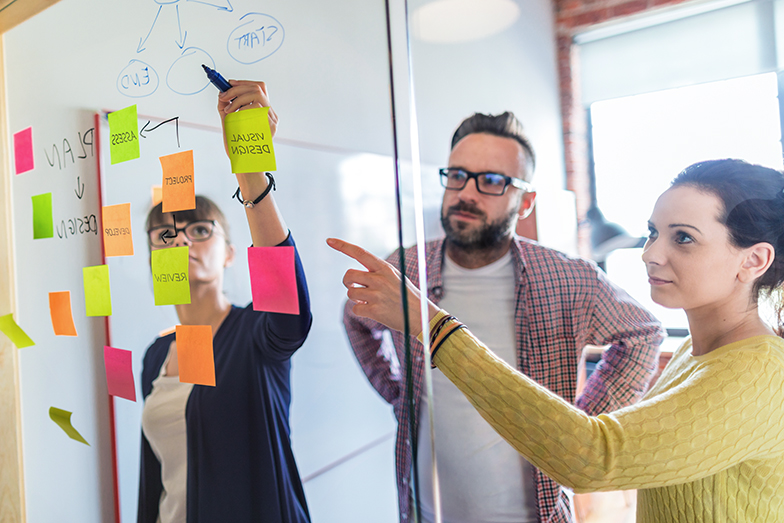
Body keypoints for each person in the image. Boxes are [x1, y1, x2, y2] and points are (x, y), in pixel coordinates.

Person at [331, 158, 784, 522]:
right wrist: (400, 394)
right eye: (652, 232)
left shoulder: (761, 374)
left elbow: (591, 455)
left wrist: (435, 329)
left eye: (683, 238)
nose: (650, 254)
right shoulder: (696, 351)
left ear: (755, 259)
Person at [341, 112, 664, 522]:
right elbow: (356, 317)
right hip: (425, 511)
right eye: (457, 175)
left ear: (525, 200)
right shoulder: (407, 268)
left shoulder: (568, 277)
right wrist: (397, 393)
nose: (466, 193)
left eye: (492, 181)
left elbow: (643, 334)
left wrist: (579, 425)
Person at [138, 81, 313, 523]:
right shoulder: (156, 355)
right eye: (165, 235)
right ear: (153, 259)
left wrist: (249, 169)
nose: (181, 240)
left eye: (200, 230)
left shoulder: (255, 333)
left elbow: (288, 309)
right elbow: (156, 481)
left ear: (231, 254)